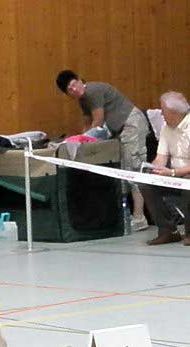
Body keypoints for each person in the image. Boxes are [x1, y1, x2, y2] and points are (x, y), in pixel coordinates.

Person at [56, 70, 149, 232]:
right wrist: (82, 141)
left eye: (73, 85)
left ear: (79, 80)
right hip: (120, 131)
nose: (74, 90)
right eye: (69, 90)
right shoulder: (83, 100)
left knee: (133, 169)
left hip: (131, 125)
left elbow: (97, 121)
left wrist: (86, 140)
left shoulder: (93, 91)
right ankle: (133, 216)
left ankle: (140, 218)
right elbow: (87, 125)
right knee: (125, 172)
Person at [140, 92, 190, 245]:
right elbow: (161, 157)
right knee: (146, 184)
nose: (161, 114)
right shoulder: (166, 129)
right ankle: (168, 231)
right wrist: (154, 169)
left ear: (174, 113)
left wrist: (173, 172)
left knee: (188, 184)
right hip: (175, 174)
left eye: (163, 111)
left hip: (185, 175)